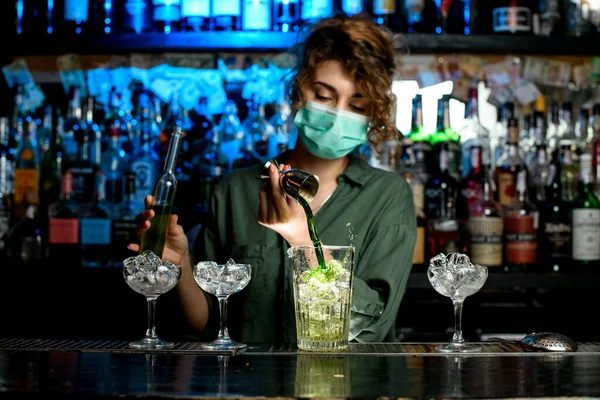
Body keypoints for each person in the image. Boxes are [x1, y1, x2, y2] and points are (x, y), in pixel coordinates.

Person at [130, 14, 416, 345]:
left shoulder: (387, 197)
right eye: (324, 96)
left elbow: (369, 329)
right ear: (298, 90)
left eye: (356, 105)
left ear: (372, 115)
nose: (338, 114)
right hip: (247, 390)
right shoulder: (234, 191)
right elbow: (207, 326)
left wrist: (300, 238)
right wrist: (180, 266)